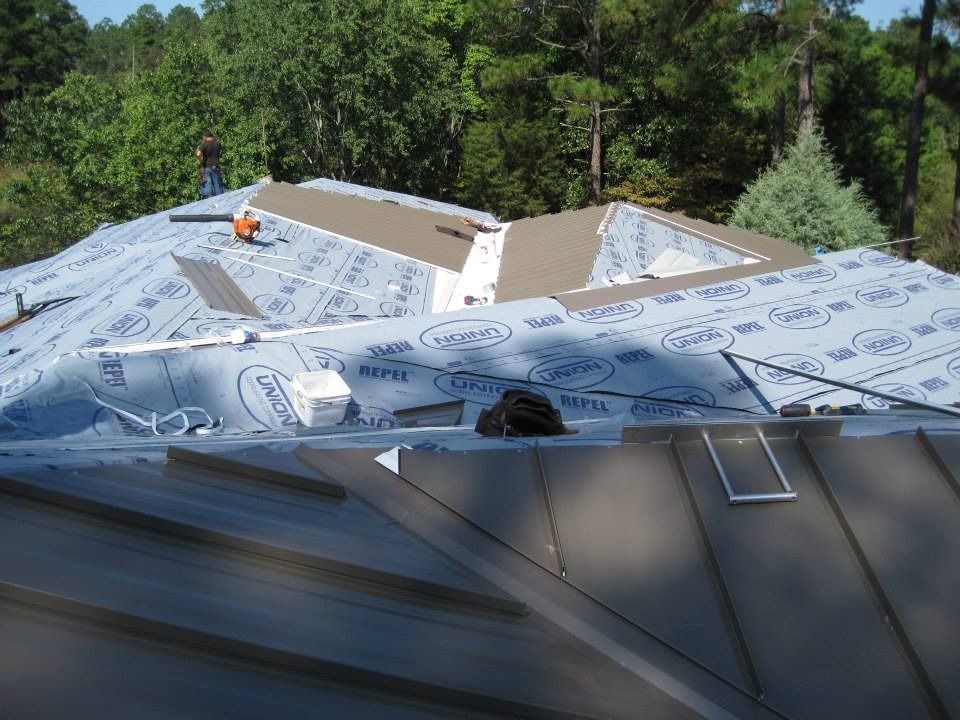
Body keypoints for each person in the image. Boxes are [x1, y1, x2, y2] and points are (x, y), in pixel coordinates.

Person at [196, 129, 224, 198]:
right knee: (218, 187)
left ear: (204, 136)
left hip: (207, 167)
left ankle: (209, 204)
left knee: (208, 189)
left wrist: (201, 160)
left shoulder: (204, 144)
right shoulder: (217, 144)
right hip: (215, 166)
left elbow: (198, 154)